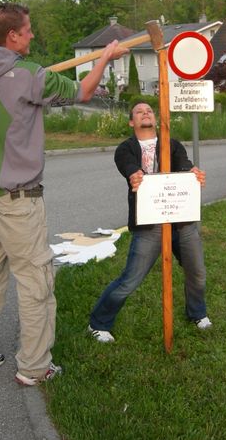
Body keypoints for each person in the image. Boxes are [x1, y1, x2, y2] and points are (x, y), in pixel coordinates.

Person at [0, 2, 128, 385]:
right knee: (36, 281)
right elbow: (84, 91)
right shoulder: (31, 75)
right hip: (18, 201)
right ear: (12, 36)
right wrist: (104, 57)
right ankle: (35, 367)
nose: (33, 35)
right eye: (28, 30)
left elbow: (18, 82)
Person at [88, 101, 211, 342]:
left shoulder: (171, 144)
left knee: (197, 272)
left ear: (155, 119)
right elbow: (129, 168)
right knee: (130, 279)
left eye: (149, 110)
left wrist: (193, 173)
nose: (146, 113)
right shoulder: (125, 149)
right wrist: (135, 176)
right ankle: (98, 323)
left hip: (181, 222)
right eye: (139, 111)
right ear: (131, 122)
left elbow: (183, 164)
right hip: (148, 226)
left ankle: (196, 313)